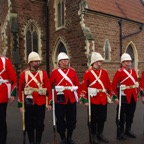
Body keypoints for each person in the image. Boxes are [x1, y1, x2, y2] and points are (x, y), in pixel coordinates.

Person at [18, 51, 52, 144]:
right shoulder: (23, 74)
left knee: (40, 124)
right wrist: (20, 105)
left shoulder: (44, 73)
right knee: (29, 124)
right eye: (35, 61)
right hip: (28, 103)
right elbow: (20, 90)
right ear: (30, 62)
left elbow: (48, 89)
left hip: (40, 102)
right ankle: (32, 142)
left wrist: (49, 102)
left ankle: (38, 141)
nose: (38, 63)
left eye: (38, 61)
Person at [80, 52, 112, 144]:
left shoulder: (104, 72)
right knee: (93, 119)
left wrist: (111, 96)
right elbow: (84, 87)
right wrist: (84, 99)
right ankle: (93, 135)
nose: (100, 63)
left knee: (102, 118)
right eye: (98, 61)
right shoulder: (88, 73)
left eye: (100, 61)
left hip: (103, 99)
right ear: (94, 62)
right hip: (93, 99)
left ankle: (100, 134)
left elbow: (108, 85)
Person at [50, 52, 81, 144]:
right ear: (59, 62)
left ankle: (69, 137)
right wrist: (51, 100)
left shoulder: (72, 71)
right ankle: (63, 137)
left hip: (71, 98)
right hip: (59, 99)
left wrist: (79, 97)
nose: (66, 61)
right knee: (60, 119)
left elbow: (77, 84)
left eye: (67, 59)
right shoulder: (54, 72)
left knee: (72, 119)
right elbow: (50, 86)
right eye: (64, 60)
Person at [112, 53, 139, 140]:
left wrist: (137, 92)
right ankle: (120, 132)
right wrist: (115, 97)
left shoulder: (133, 71)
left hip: (132, 96)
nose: (129, 63)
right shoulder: (119, 71)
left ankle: (128, 130)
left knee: (130, 114)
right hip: (123, 96)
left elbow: (136, 83)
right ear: (123, 62)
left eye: (130, 61)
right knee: (121, 115)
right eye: (127, 61)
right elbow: (114, 85)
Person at [0, 56, 17, 144]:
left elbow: (13, 78)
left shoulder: (5, 60)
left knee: (1, 120)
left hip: (1, 95)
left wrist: (13, 94)